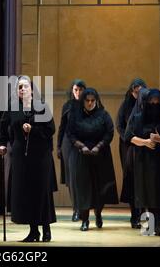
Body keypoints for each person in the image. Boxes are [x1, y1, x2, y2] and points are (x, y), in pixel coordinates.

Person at [0, 76, 57, 242]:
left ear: (31, 89)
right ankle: (33, 231)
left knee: (41, 192)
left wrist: (34, 129)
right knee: (26, 193)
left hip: (40, 156)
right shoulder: (12, 107)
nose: (21, 89)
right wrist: (2, 144)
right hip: (20, 157)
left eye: (25, 87)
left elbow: (50, 129)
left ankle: (46, 229)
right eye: (19, 87)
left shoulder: (41, 106)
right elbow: (3, 128)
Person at [125, 89, 160, 236]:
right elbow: (129, 136)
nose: (154, 105)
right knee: (148, 193)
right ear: (146, 103)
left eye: (157, 103)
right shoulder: (137, 118)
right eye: (151, 103)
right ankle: (151, 225)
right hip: (144, 161)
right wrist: (146, 142)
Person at [68, 88, 118, 231]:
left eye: (92, 101)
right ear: (83, 101)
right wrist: (81, 146)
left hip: (100, 156)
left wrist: (99, 146)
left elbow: (109, 132)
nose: (90, 103)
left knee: (99, 188)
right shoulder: (75, 115)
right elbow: (70, 134)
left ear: (96, 101)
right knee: (83, 189)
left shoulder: (103, 115)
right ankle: (85, 220)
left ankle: (98, 214)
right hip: (81, 155)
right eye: (87, 101)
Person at [116, 78, 146, 228]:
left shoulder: (147, 105)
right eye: (135, 92)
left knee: (145, 180)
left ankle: (144, 213)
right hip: (127, 147)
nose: (137, 95)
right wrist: (129, 138)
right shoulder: (126, 105)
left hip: (145, 147)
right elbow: (119, 125)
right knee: (131, 179)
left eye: (139, 92)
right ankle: (135, 214)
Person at [57, 79, 86, 222]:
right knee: (71, 179)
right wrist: (58, 147)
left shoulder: (88, 103)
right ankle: (76, 209)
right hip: (67, 145)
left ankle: (82, 208)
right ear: (72, 91)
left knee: (81, 178)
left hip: (83, 144)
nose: (78, 92)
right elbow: (62, 127)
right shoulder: (67, 106)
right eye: (76, 90)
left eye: (81, 90)